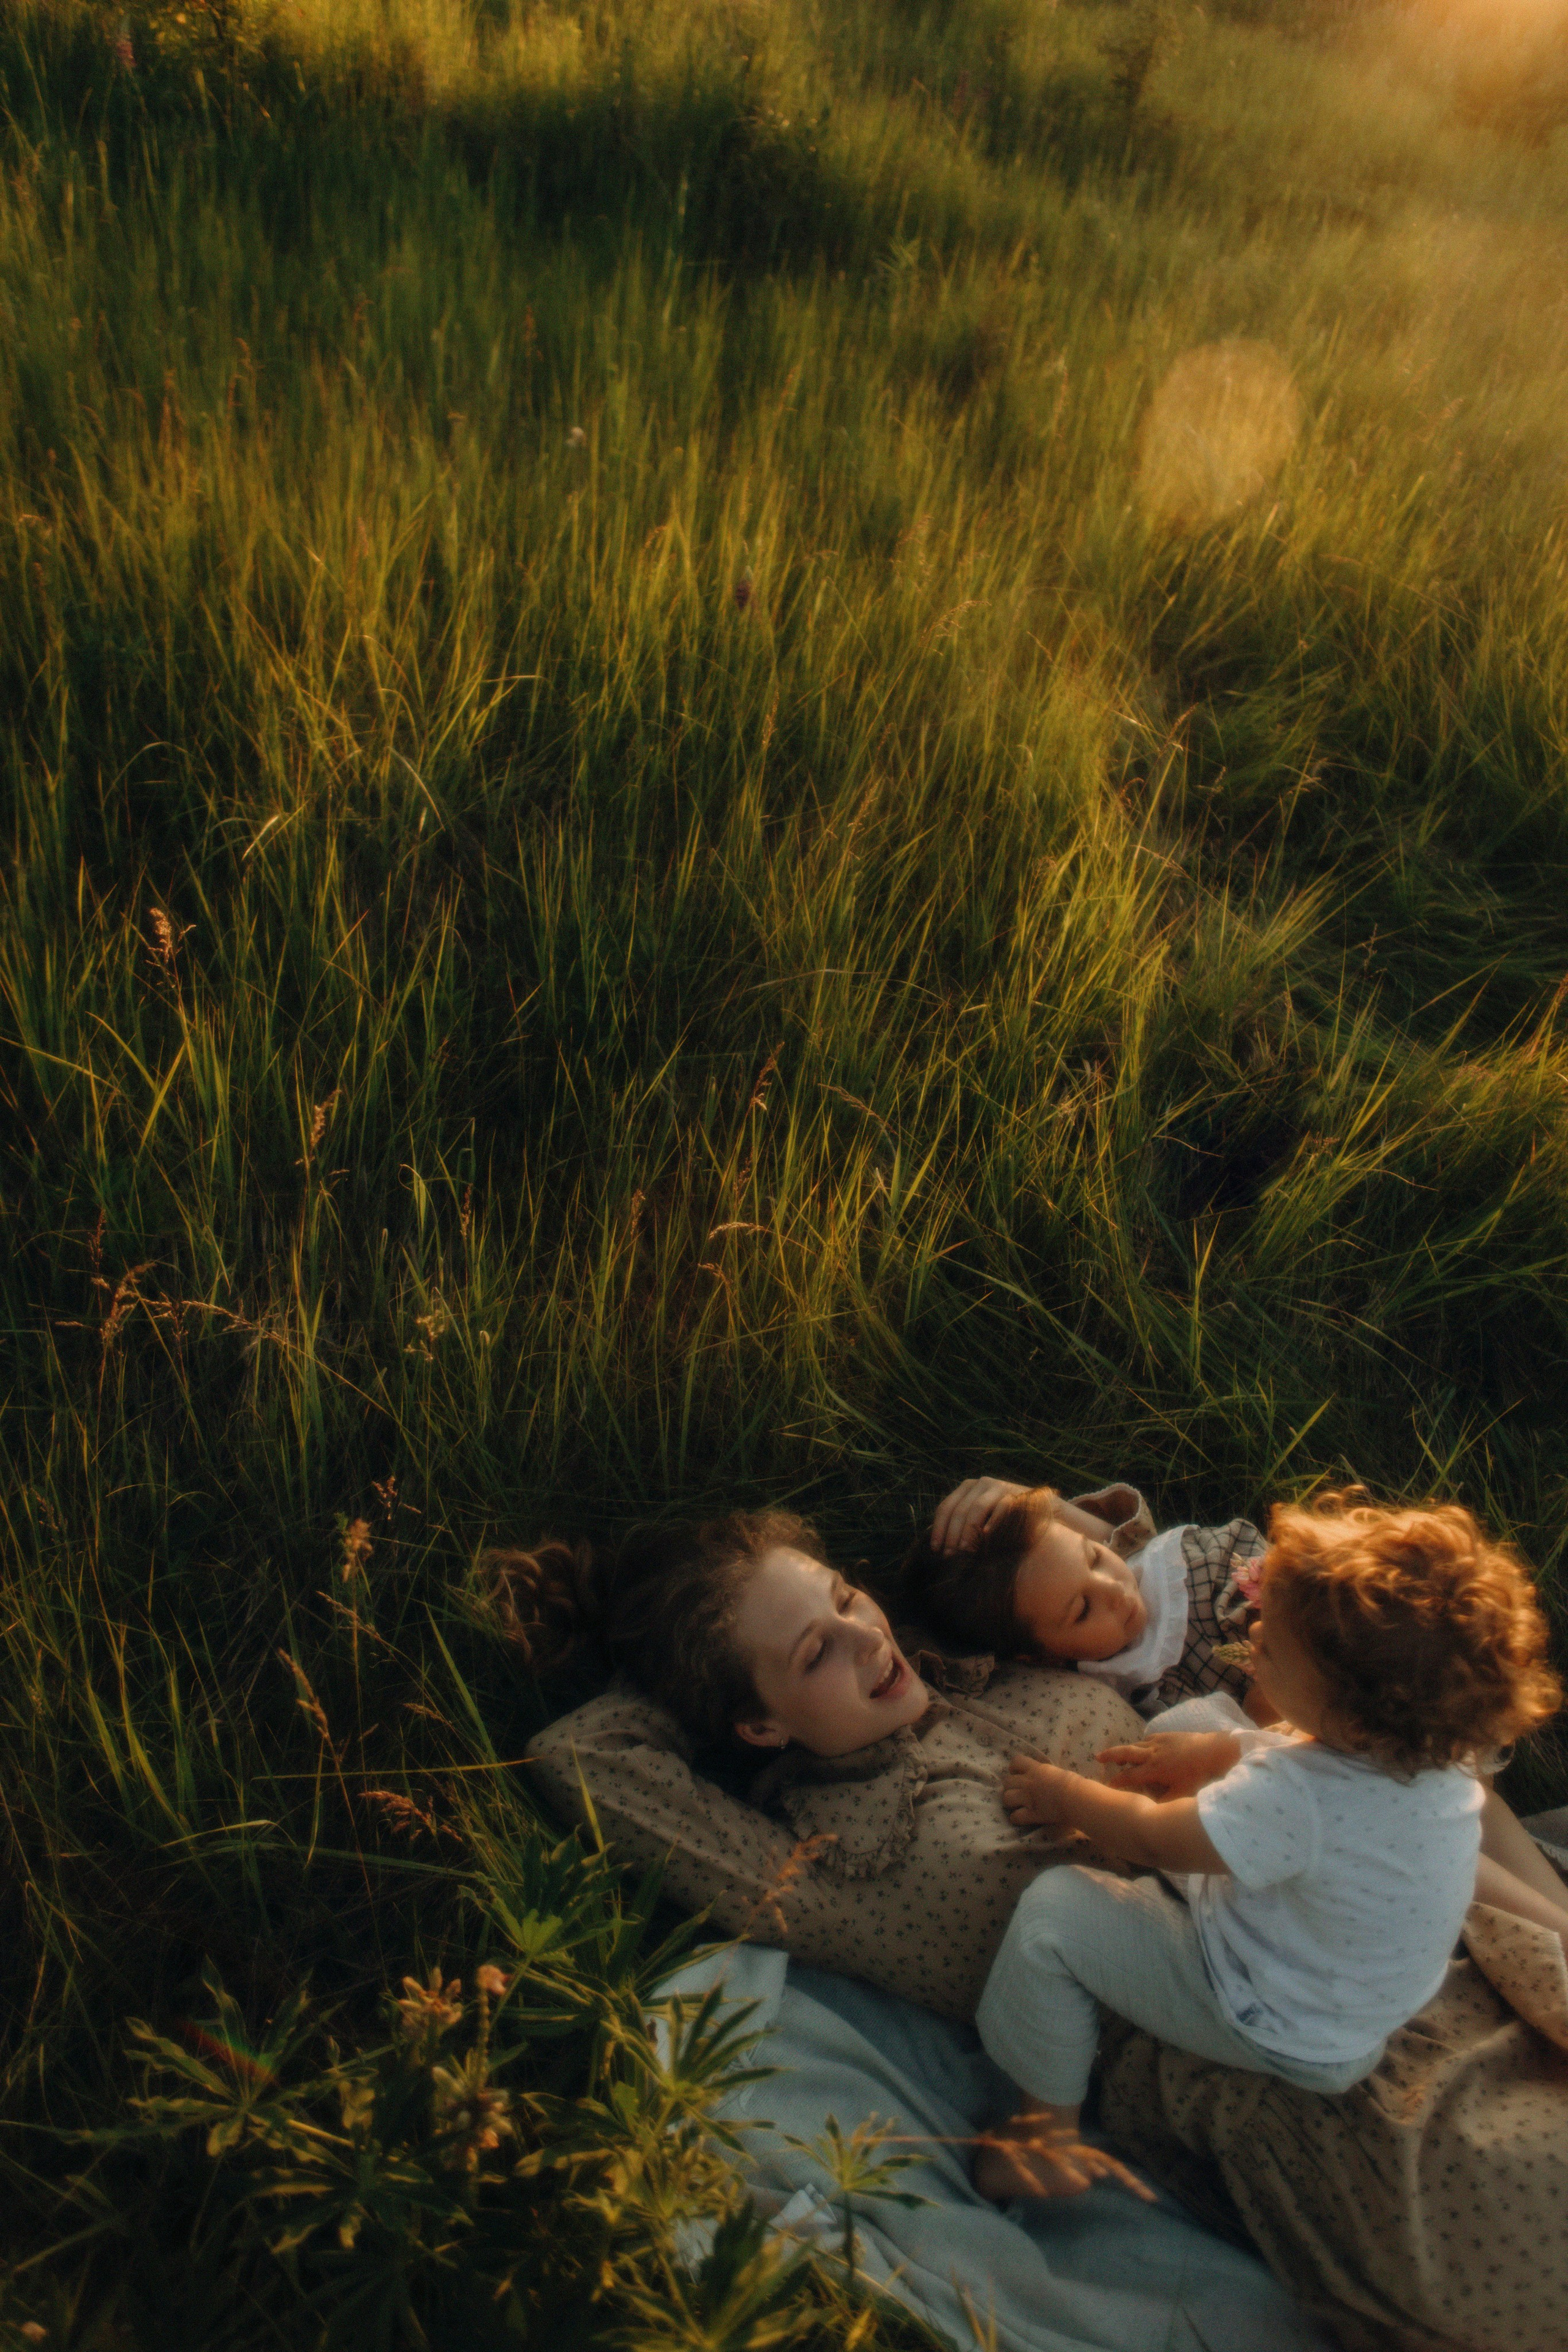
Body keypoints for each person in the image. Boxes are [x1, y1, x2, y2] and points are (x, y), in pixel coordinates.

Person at [507, 1490, 1568, 2352]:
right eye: (814, 1656)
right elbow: (581, 1759)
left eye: (847, 1598)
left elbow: (1157, 1601)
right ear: (757, 1721)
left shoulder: (993, 1666)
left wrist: (1033, 1501)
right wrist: (674, 1664)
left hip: (1362, 1940)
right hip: (1277, 2082)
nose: (867, 1639)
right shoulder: (808, 1861)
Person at [971, 1492, 1568, 2203]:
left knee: (1054, 1917)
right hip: (1352, 1989)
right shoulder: (1433, 1760)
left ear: (1349, 1714)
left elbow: (1152, 1837)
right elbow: (1313, 1775)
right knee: (1194, 1728)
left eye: (1272, 1649)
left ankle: (1043, 2139)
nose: (1252, 1633)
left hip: (1273, 2017)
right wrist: (1217, 1752)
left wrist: (1064, 1798)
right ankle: (1199, 1819)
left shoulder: (1297, 1801)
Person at [903, 1472, 1267, 1717]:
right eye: (1082, 1610)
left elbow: (1121, 1541)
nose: (1113, 1589)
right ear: (1041, 1659)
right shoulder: (1120, 1698)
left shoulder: (1182, 1568)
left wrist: (1034, 1504)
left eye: (1094, 1558)